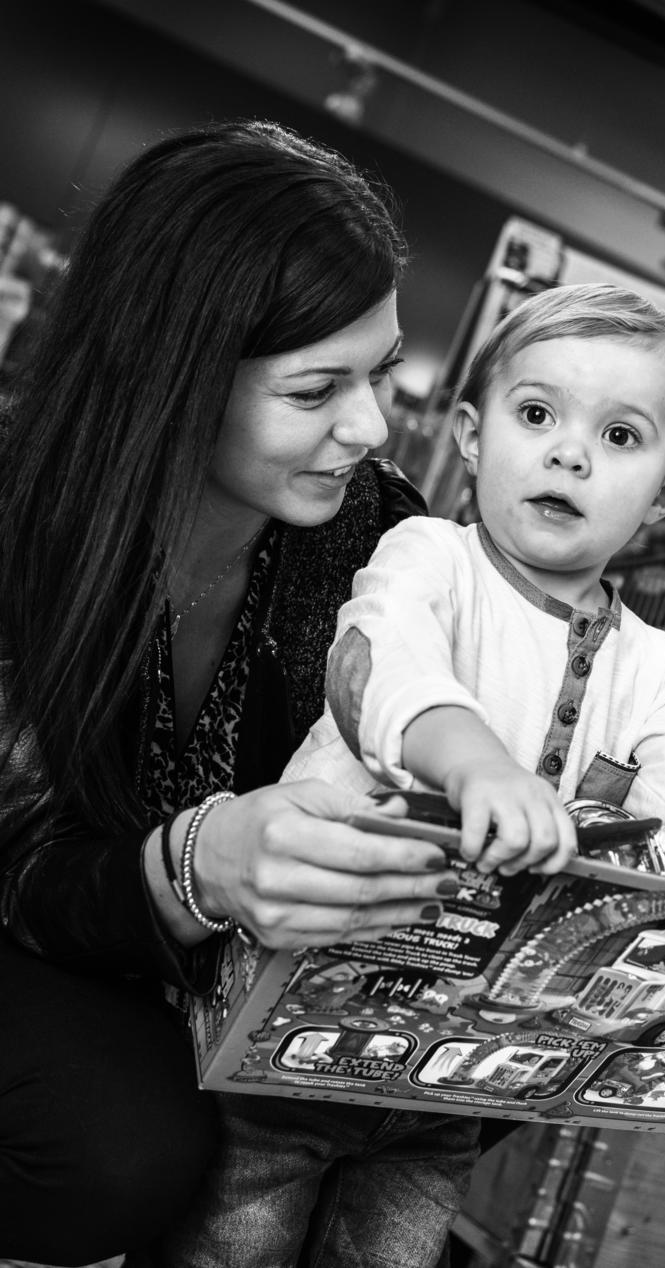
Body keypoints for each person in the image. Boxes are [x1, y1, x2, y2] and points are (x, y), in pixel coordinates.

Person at [0, 118, 475, 1267]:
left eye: (381, 374)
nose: (366, 427)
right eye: (318, 387)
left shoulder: (378, 534)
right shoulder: (25, 528)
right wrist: (194, 865)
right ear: (177, 370)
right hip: (36, 933)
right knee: (123, 1152)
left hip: (212, 994)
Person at [291, 282, 665, 943]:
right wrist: (479, 766)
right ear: (474, 438)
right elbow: (384, 665)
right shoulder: (429, 555)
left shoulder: (652, 666)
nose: (570, 454)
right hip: (318, 898)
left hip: (461, 960)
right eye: (537, 415)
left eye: (620, 435)